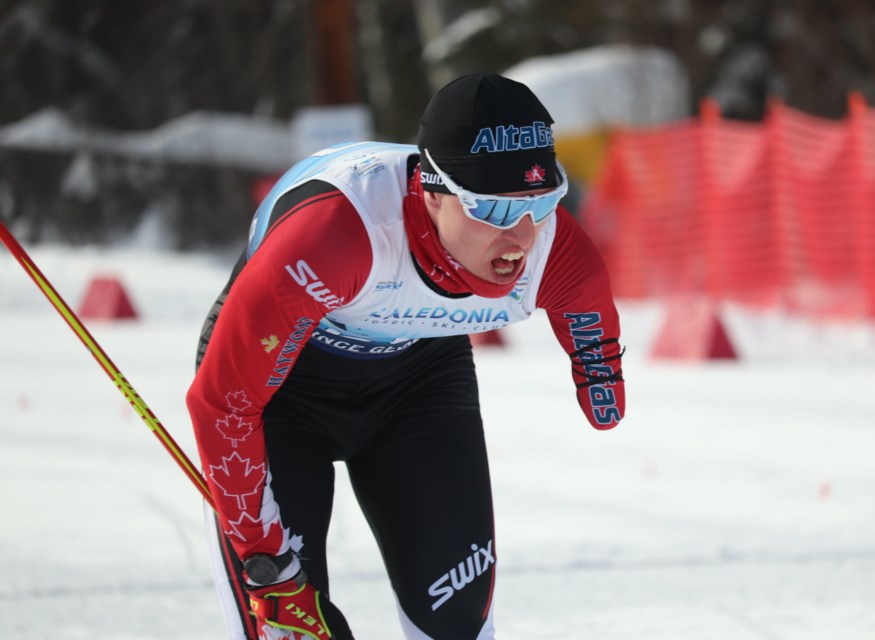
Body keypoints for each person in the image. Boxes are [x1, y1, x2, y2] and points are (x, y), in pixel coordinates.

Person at [186, 72, 626, 640]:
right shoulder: (335, 237)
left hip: (416, 384)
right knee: (287, 624)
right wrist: (261, 558)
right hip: (283, 393)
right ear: (433, 193)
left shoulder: (553, 249)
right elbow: (225, 403)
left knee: (457, 624)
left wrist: (600, 371)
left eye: (540, 203)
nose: (520, 235)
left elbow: (591, 320)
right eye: (491, 209)